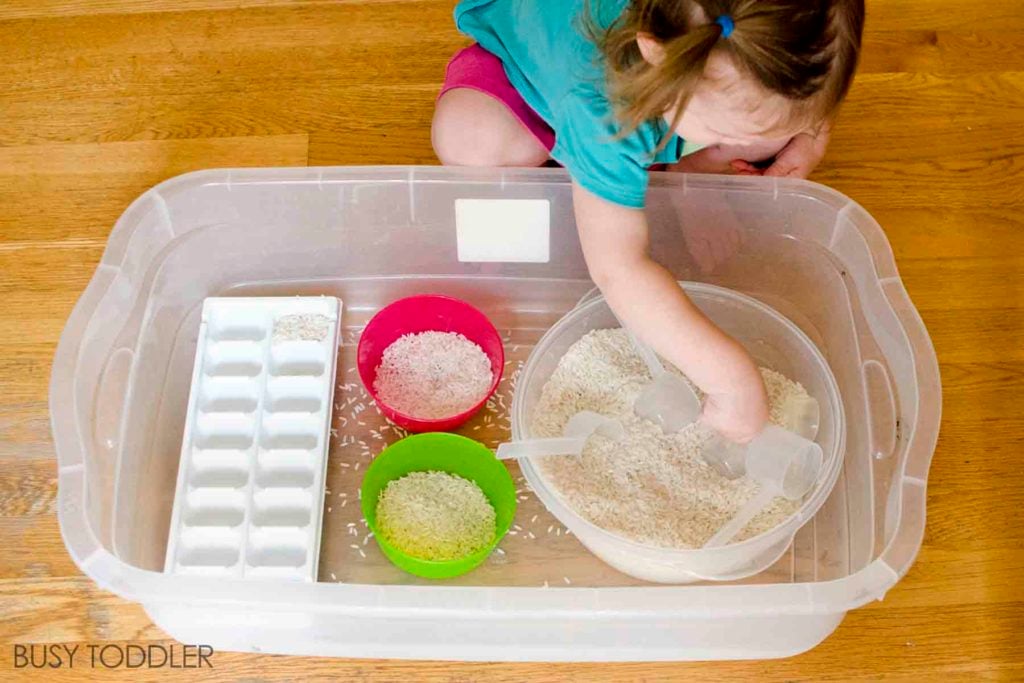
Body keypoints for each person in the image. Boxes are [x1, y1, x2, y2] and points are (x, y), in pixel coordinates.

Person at [432, 0, 864, 443]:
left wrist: (811, 130)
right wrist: (732, 382)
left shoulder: (760, 36)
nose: (748, 142)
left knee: (766, 117)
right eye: (726, 134)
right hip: (532, 79)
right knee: (475, 143)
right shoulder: (601, 105)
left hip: (674, 85)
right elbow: (619, 269)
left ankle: (689, 173)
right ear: (657, 52)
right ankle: (647, 165)